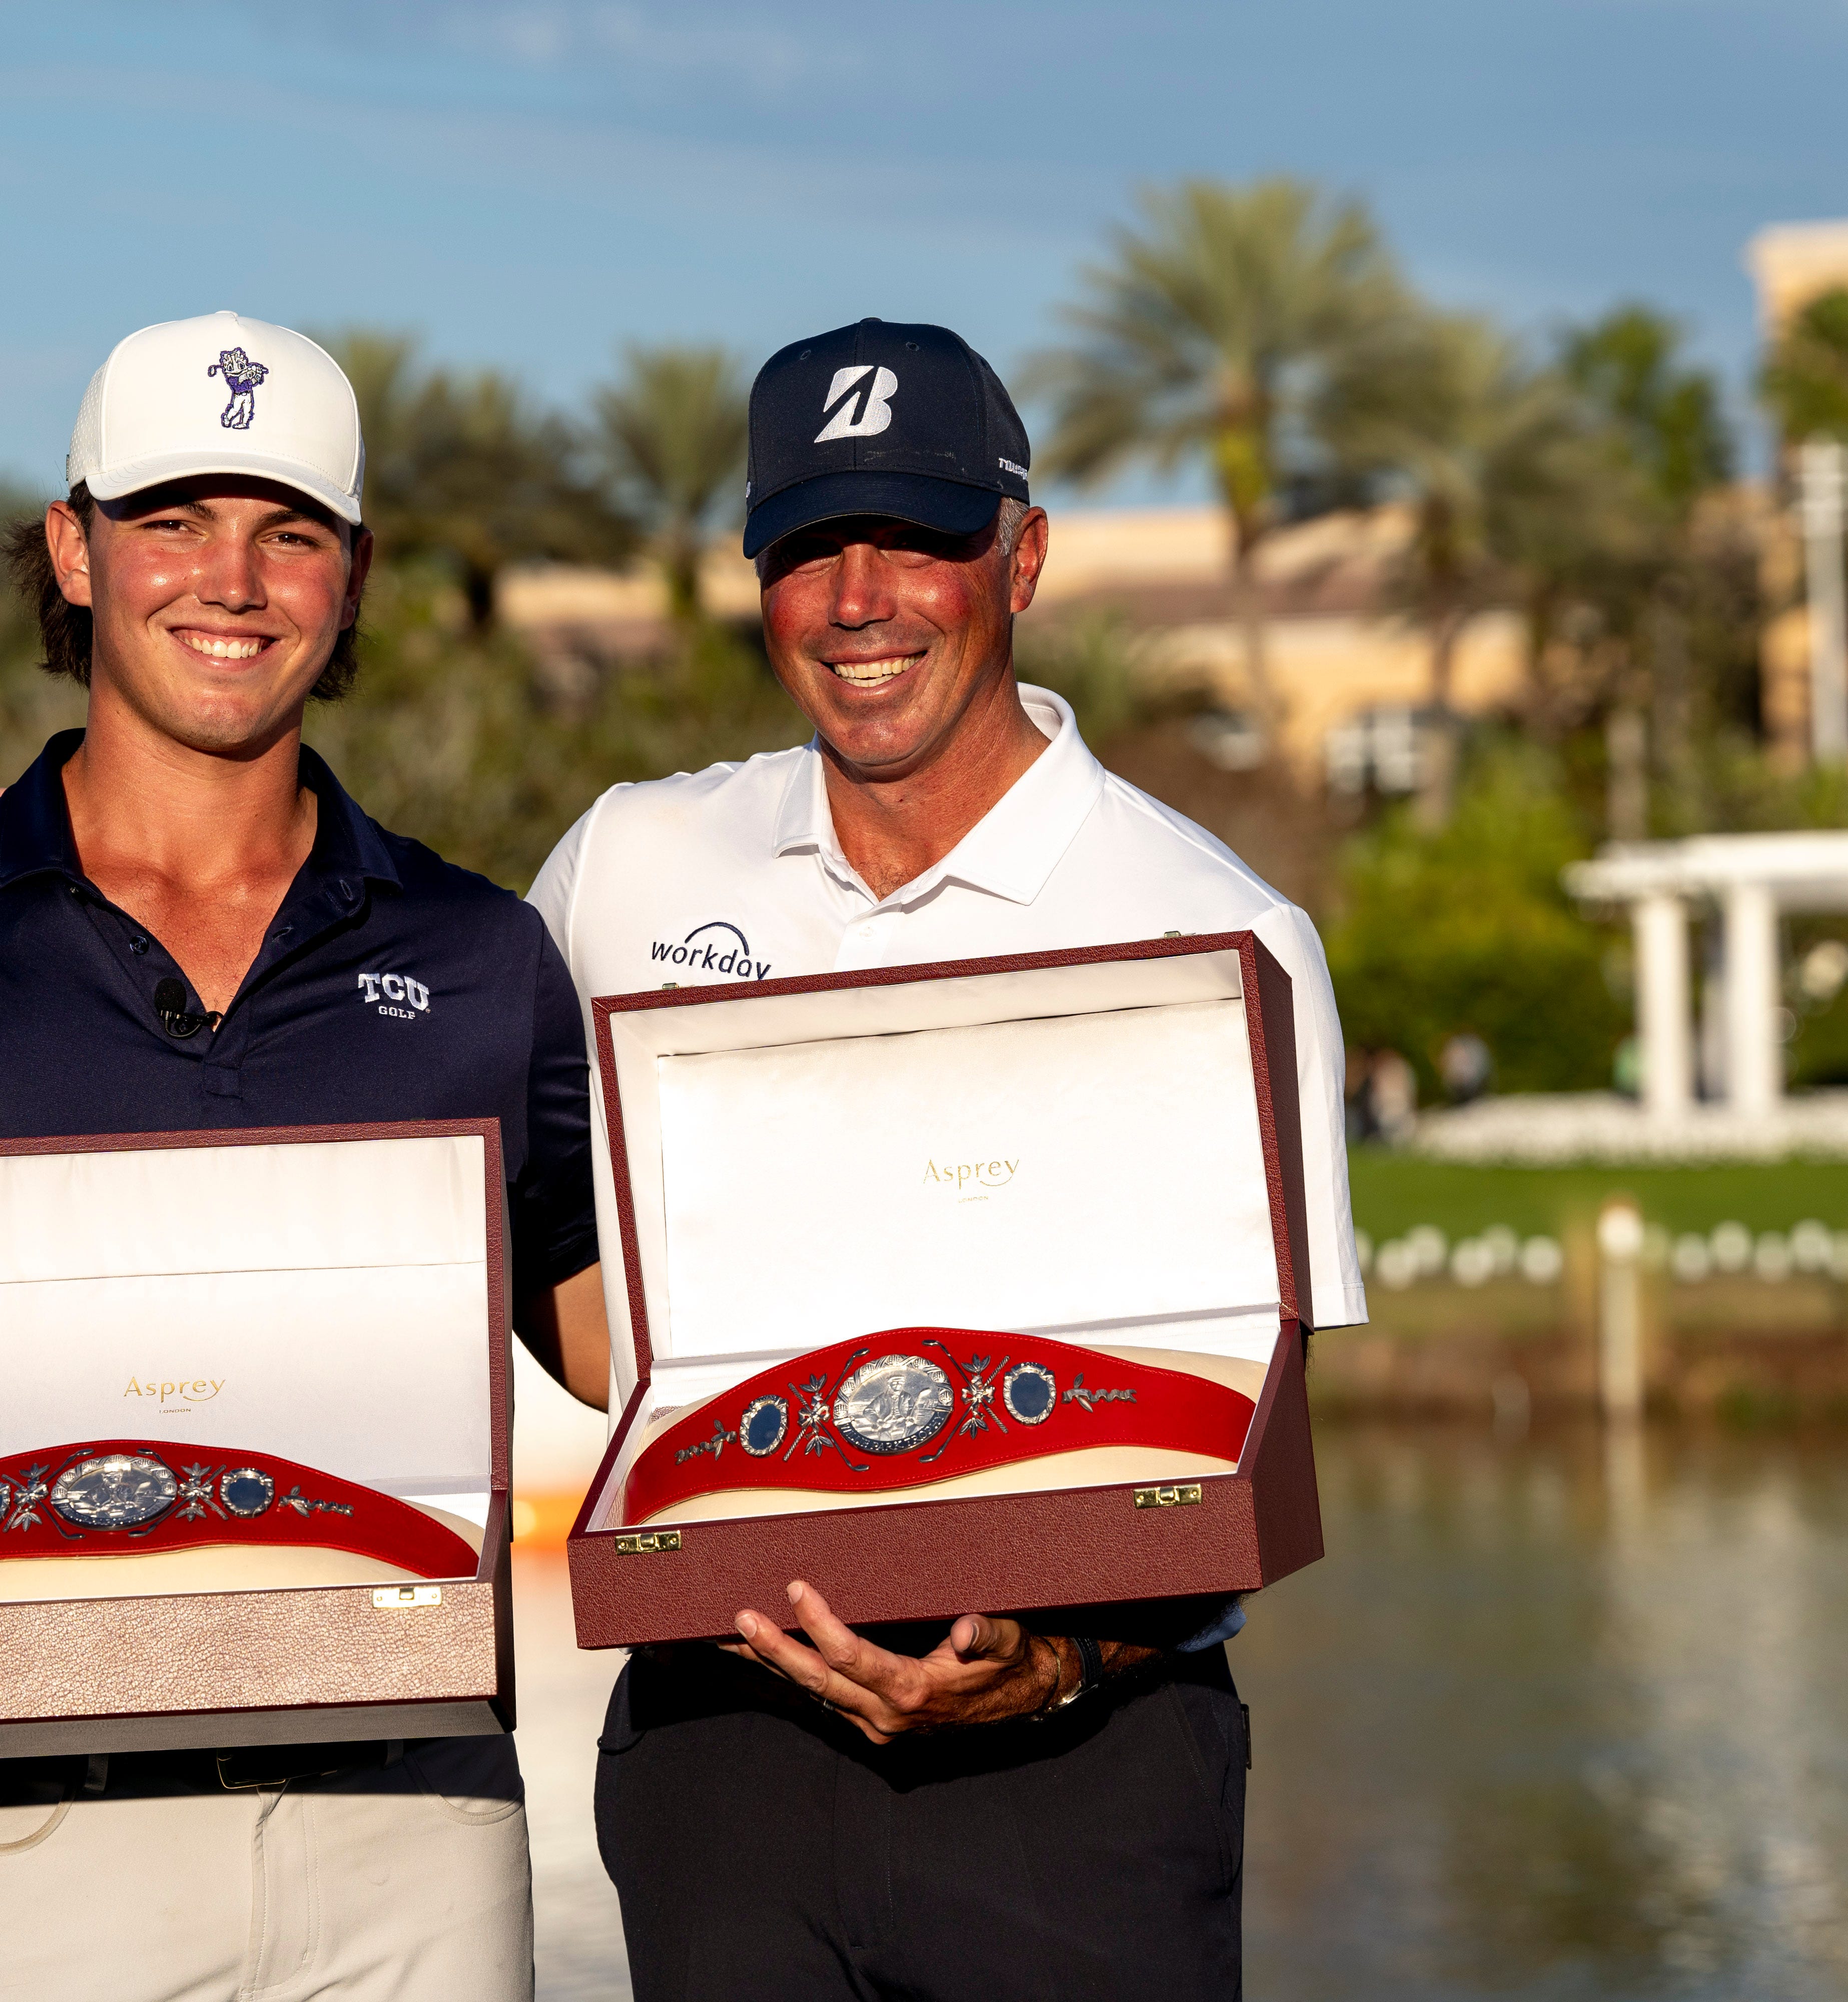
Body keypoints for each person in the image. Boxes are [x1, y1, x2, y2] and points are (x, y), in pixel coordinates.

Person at [0, 310, 608, 2002]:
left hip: (419, 1848)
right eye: (174, 520)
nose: (231, 580)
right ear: (73, 550)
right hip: (18, 1843)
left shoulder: (483, 955)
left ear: (352, 574)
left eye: (289, 532)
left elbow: (647, 1364)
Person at [523, 319, 1368, 2000]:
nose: (860, 599)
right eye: (809, 549)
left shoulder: (1220, 927)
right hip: (719, 1758)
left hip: (1080, 1772)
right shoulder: (627, 866)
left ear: (1023, 555)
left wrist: (1054, 1660)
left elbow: (1245, 1415)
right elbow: (405, 1067)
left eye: (916, 539)